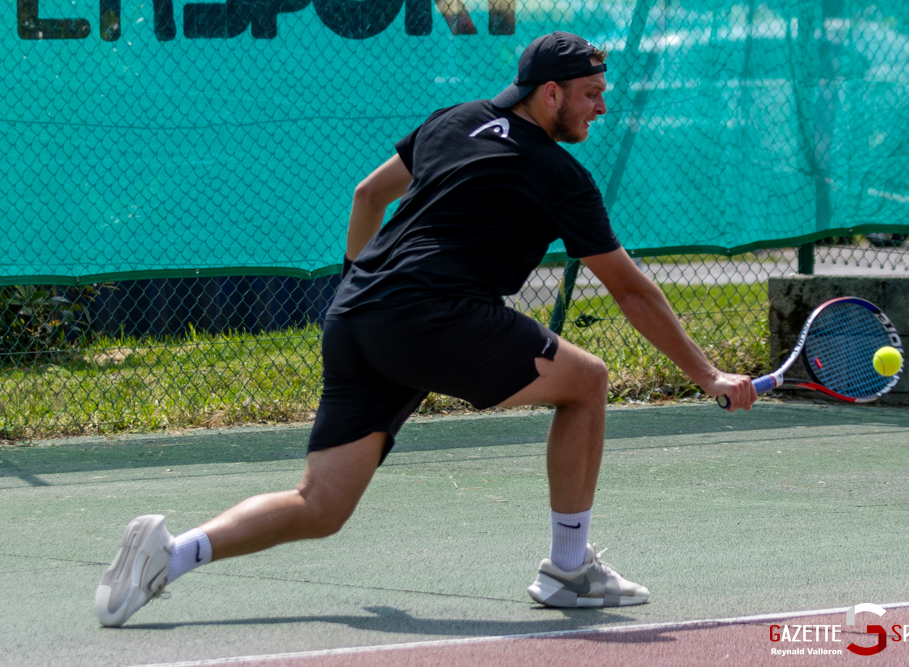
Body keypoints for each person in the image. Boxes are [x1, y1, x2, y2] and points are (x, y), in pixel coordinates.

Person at [94, 31, 756, 627]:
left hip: (356, 315)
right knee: (586, 382)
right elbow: (630, 289)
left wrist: (357, 282)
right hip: (431, 315)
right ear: (550, 93)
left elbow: (367, 194)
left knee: (321, 505)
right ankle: (569, 570)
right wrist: (708, 375)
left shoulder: (454, 119)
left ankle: (169, 554)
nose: (601, 107)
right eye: (591, 93)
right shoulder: (559, 174)